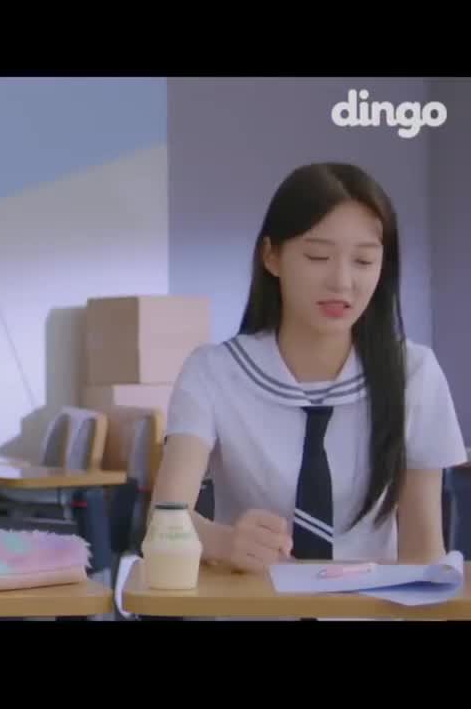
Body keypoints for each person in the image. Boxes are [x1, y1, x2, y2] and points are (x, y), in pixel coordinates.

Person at [151, 161, 465, 573]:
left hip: (372, 606)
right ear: (272, 256)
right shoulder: (212, 372)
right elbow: (163, 522)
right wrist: (223, 541)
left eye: (364, 261)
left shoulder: (414, 373)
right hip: (253, 603)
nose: (342, 282)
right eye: (318, 256)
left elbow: (424, 552)